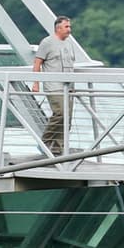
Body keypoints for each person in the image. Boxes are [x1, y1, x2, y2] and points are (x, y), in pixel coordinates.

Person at [31, 15, 83, 154]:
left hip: (68, 86)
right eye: (66, 27)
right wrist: (35, 83)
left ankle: (59, 148)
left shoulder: (69, 43)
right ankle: (45, 142)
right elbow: (37, 63)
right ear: (58, 28)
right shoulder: (47, 42)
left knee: (68, 118)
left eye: (69, 26)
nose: (69, 29)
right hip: (54, 85)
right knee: (60, 113)